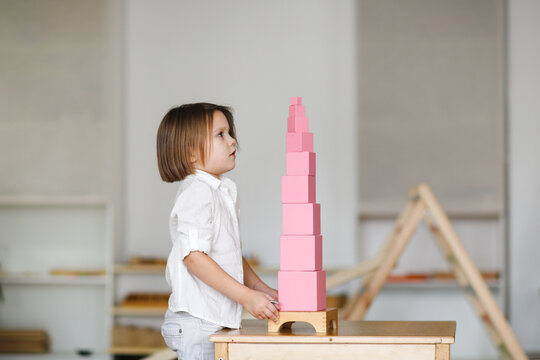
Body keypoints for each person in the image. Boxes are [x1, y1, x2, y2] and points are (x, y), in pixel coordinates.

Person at [156, 103, 279, 360]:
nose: (233, 141)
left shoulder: (220, 192)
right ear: (190, 153)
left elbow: (229, 252)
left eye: (230, 133)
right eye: (220, 134)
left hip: (214, 319)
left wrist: (260, 288)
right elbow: (194, 257)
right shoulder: (197, 192)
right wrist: (246, 296)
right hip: (197, 322)